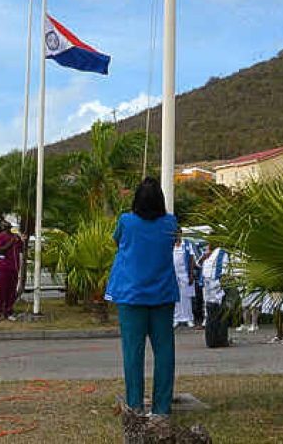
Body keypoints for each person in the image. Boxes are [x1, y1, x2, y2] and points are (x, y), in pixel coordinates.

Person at [105, 177, 178, 417]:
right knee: (165, 351)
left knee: (133, 353)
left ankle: (135, 406)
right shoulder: (170, 222)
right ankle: (162, 408)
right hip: (162, 295)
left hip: (131, 295)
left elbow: (116, 241)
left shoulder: (126, 221)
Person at [199, 241, 230, 348]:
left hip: (207, 284)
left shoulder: (208, 253)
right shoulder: (222, 253)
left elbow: (200, 265)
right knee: (219, 313)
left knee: (210, 313)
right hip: (216, 284)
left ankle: (212, 340)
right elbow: (224, 272)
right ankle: (220, 339)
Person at [0, 220, 23, 322]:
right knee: (1, 291)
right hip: (3, 268)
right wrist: (11, 242)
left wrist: (22, 240)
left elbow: (21, 249)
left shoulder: (15, 236)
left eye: (8, 224)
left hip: (14, 268)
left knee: (11, 292)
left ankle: (9, 312)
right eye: (4, 224)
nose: (6, 226)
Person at [172, 229, 195, 329]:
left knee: (186, 296)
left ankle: (188, 318)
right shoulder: (170, 244)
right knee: (175, 296)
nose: (177, 235)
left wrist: (191, 274)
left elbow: (191, 259)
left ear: (181, 234)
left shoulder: (187, 244)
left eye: (178, 233)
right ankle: (176, 318)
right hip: (173, 274)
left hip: (185, 273)